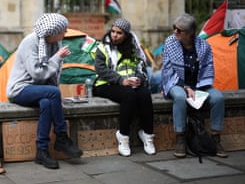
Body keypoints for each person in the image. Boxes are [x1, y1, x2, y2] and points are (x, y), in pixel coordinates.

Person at [6, 13, 83, 169]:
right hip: (20, 89)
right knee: (53, 93)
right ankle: (61, 137)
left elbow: (52, 76)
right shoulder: (30, 42)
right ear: (53, 32)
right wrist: (57, 58)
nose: (66, 33)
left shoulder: (55, 43)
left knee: (47, 102)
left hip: (38, 89)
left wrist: (55, 95)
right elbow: (37, 74)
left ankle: (41, 151)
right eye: (64, 30)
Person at [162, 13, 227, 158]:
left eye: (179, 30)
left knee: (218, 98)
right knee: (179, 97)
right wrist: (185, 86)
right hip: (176, 83)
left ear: (190, 33)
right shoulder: (170, 43)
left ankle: (215, 138)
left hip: (199, 84)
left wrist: (199, 87)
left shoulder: (204, 46)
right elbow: (167, 72)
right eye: (174, 28)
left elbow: (208, 69)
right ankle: (180, 137)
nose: (175, 32)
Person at [92, 18, 156, 157]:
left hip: (129, 83)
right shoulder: (103, 47)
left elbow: (141, 66)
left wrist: (139, 78)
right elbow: (100, 69)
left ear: (126, 35)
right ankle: (123, 136)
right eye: (113, 31)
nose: (114, 35)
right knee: (129, 95)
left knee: (144, 94)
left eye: (119, 33)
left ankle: (147, 134)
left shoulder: (134, 47)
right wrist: (121, 80)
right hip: (105, 85)